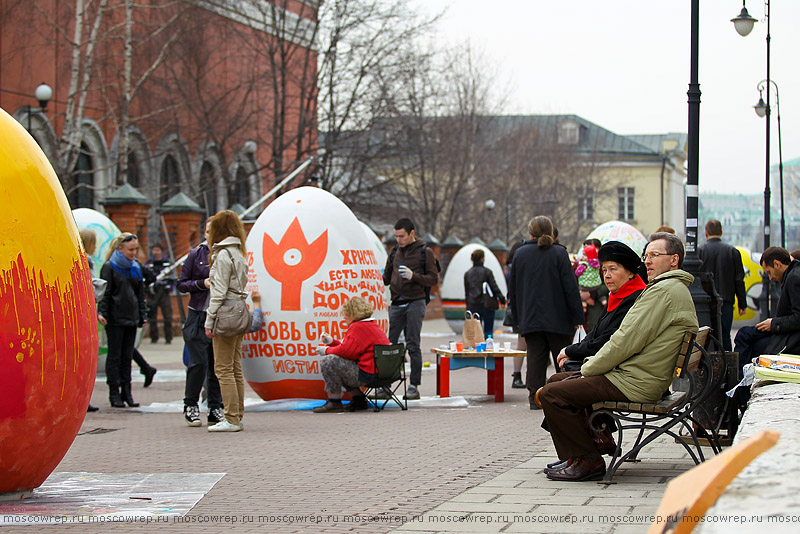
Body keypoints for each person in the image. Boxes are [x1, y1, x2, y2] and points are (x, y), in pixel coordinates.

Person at [539, 232, 698, 482]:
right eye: (647, 255)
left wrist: (589, 368)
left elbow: (625, 341)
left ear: (674, 260)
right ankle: (584, 451)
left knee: (553, 394)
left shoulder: (663, 292)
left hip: (636, 382)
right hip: (641, 376)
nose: (648, 261)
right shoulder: (670, 289)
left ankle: (589, 461)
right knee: (558, 381)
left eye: (655, 255)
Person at [508, 216, 584, 409]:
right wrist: (577, 317)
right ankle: (562, 395)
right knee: (562, 358)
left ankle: (535, 397)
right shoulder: (559, 254)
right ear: (551, 232)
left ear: (530, 232)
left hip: (530, 317)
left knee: (535, 358)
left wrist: (517, 318)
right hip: (559, 318)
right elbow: (570, 288)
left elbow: (513, 290)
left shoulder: (520, 254)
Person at [556, 241, 646, 372]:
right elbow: (595, 333)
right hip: (609, 368)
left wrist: (570, 351)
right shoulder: (617, 295)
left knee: (552, 390)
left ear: (630, 273)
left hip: (623, 373)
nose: (607, 275)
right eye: (604, 270)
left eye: (613, 269)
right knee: (555, 382)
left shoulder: (635, 299)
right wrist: (572, 352)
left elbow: (607, 340)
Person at [734, 247, 800, 407]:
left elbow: (798, 318)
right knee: (744, 335)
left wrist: (773, 324)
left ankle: (740, 395)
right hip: (786, 333)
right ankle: (739, 392)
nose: (769, 277)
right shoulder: (793, 275)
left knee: (747, 342)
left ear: (777, 264)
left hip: (790, 339)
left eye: (769, 272)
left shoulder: (794, 279)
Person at [382, 218, 439, 400]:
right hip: (397, 302)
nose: (399, 240)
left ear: (412, 233)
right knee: (390, 345)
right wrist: (371, 276)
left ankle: (414, 386)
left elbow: (433, 279)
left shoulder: (425, 252)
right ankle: (386, 385)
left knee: (412, 344)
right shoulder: (395, 252)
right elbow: (386, 277)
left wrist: (413, 276)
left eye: (402, 236)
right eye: (396, 236)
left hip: (416, 301)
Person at [204, 210, 249, 432]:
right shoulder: (238, 253)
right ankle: (237, 414)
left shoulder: (222, 255)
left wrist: (209, 319)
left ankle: (231, 418)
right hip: (239, 310)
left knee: (223, 368)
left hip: (225, 313)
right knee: (235, 367)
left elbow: (218, 292)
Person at [178, 220, 224, 427]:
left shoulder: (226, 255)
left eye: (213, 232)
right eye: (206, 231)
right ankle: (191, 404)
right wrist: (201, 284)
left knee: (217, 364)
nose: (209, 235)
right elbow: (181, 284)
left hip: (220, 317)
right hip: (198, 315)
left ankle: (215, 406)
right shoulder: (195, 255)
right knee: (197, 362)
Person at [312, 297, 390, 413]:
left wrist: (326, 350)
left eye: (346, 313)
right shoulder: (370, 325)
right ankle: (358, 399)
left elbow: (347, 352)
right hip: (381, 373)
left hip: (368, 375)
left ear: (353, 313)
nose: (344, 317)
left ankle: (334, 402)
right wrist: (332, 342)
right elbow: (350, 348)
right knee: (340, 365)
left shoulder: (358, 327)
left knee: (329, 362)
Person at [97, 232, 147, 408]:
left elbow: (140, 295)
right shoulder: (109, 267)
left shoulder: (135, 267)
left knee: (127, 357)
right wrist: (102, 312)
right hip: (115, 318)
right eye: (130, 249)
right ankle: (114, 393)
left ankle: (127, 392)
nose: (133, 253)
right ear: (120, 249)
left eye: (135, 249)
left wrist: (142, 315)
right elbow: (106, 292)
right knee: (114, 357)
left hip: (132, 318)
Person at [698, 220, 746, 352]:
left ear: (706, 232)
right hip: (726, 300)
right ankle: (727, 365)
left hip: (705, 302)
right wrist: (742, 303)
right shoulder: (732, 251)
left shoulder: (700, 251)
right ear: (721, 232)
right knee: (725, 335)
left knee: (705, 336)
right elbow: (739, 279)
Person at [79, 228, 101, 413]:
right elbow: (91, 285)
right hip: (86, 313)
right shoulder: (87, 260)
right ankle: (83, 399)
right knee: (85, 358)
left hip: (79, 313)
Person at [464, 248, 506, 338]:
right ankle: (488, 347)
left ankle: (476, 349)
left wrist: (468, 306)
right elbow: (494, 287)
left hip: (473, 306)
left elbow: (467, 292)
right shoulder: (487, 272)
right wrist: (502, 299)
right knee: (488, 330)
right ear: (482, 259)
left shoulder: (468, 274)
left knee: (475, 333)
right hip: (487, 305)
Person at [146, 243, 174, 344]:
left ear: (162, 251)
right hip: (153, 292)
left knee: (167, 315)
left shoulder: (167, 262)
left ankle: (168, 337)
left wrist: (171, 290)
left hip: (165, 291)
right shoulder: (149, 262)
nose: (156, 252)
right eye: (154, 250)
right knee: (152, 314)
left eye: (158, 250)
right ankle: (154, 337)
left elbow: (173, 277)